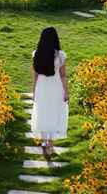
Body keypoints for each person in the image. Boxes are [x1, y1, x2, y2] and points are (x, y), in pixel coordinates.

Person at [30, 27, 69, 155]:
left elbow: (35, 75)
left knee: (42, 111)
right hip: (56, 87)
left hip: (42, 86)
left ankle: (44, 140)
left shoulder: (36, 54)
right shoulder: (60, 55)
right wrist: (66, 91)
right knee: (53, 112)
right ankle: (50, 143)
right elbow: (63, 75)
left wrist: (34, 90)